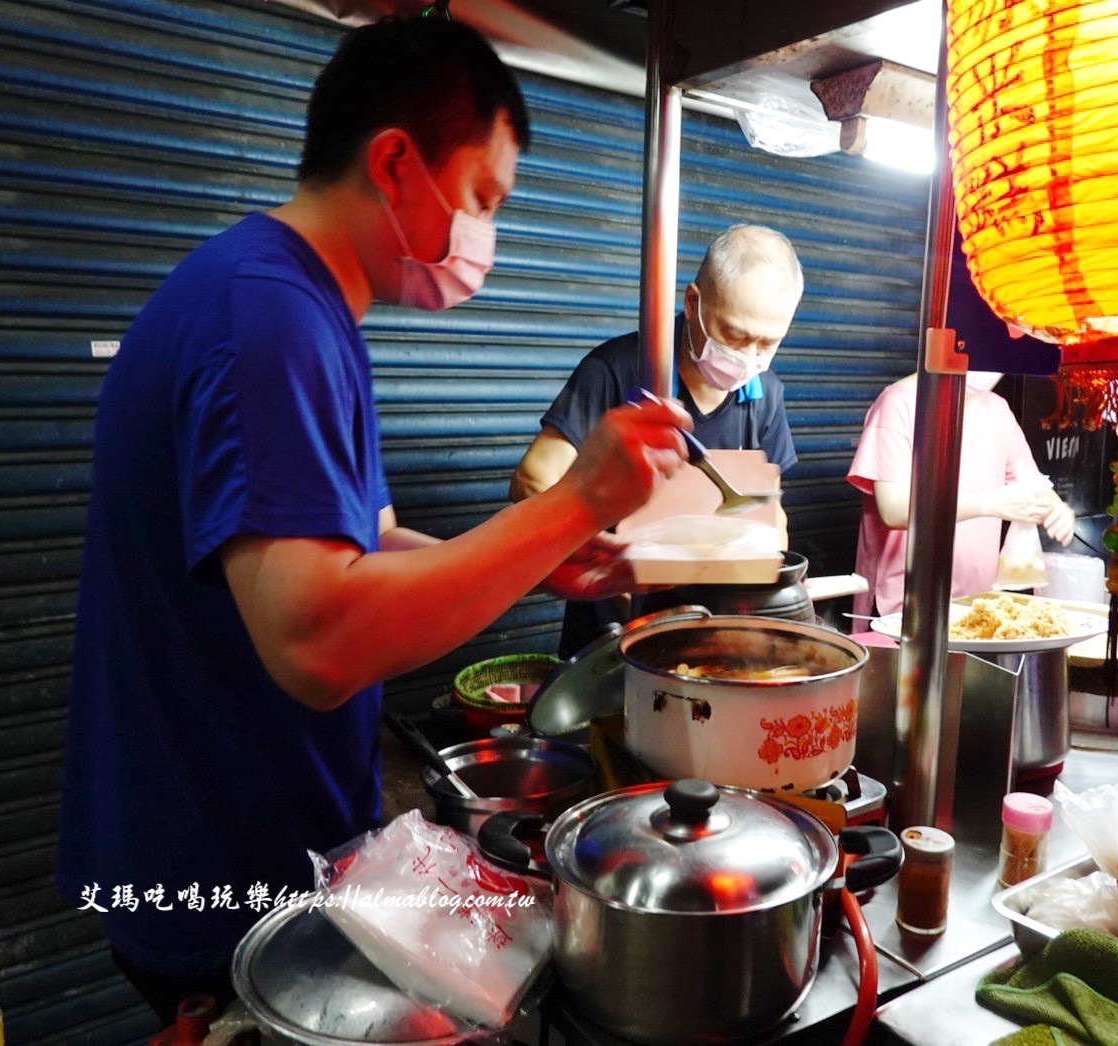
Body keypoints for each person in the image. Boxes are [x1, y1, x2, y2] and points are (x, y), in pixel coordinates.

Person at [55, 18, 690, 1024]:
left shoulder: (298, 308)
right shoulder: (268, 318)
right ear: (395, 161)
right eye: (482, 198)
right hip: (224, 869)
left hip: (262, 839)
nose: (488, 235)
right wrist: (577, 500)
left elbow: (364, 541)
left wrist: (538, 557)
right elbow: (316, 634)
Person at [510, 224, 803, 655]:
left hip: (712, 635)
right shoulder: (617, 370)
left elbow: (771, 513)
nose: (749, 357)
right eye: (735, 335)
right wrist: (613, 561)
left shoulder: (765, 394)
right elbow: (531, 481)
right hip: (613, 632)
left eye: (768, 342)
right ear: (693, 303)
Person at [847, 371, 1076, 619]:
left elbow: (1035, 484)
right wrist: (989, 503)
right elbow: (893, 510)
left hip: (976, 604)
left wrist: (1058, 510)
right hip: (904, 605)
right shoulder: (899, 402)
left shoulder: (997, 410)